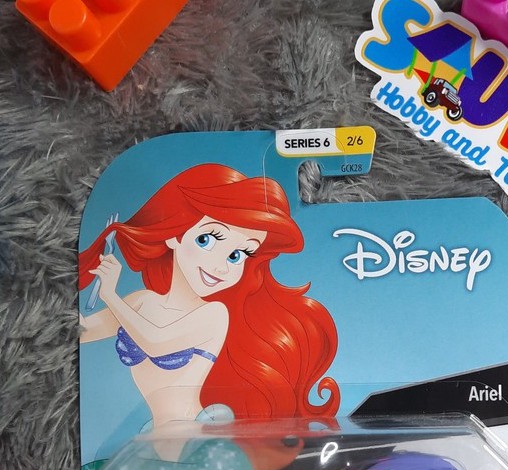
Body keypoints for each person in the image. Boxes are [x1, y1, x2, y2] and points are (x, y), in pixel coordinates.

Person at [79, 163, 340, 435]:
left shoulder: (214, 314)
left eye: (237, 255)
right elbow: (83, 331)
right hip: (157, 433)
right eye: (207, 240)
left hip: (197, 438)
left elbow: (155, 342)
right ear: (174, 235)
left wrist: (110, 295)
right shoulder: (141, 303)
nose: (221, 266)